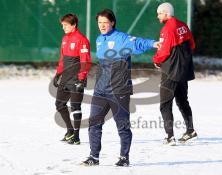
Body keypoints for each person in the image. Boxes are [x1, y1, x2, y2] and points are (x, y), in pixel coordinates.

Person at [81, 9, 159, 166]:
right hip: (100, 89)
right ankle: (94, 157)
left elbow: (138, 43)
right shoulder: (99, 39)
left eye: (105, 22)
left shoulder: (122, 38)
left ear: (112, 23)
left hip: (119, 89)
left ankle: (124, 158)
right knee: (94, 123)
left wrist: (153, 43)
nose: (102, 26)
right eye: (99, 23)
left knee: (122, 126)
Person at [153, 2, 197, 146]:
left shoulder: (167, 29)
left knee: (165, 103)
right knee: (183, 101)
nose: (157, 16)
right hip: (184, 70)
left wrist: (156, 60)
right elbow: (192, 44)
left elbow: (164, 51)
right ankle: (190, 130)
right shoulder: (183, 25)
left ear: (166, 13)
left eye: (159, 13)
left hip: (171, 70)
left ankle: (169, 136)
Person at [53, 13, 91, 145]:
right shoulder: (65, 39)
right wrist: (58, 74)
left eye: (65, 25)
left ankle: (76, 136)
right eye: (62, 25)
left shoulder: (82, 39)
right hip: (66, 77)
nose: (63, 27)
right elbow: (63, 59)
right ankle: (69, 131)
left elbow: (85, 61)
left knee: (75, 106)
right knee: (59, 104)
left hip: (76, 78)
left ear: (73, 25)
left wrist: (81, 79)